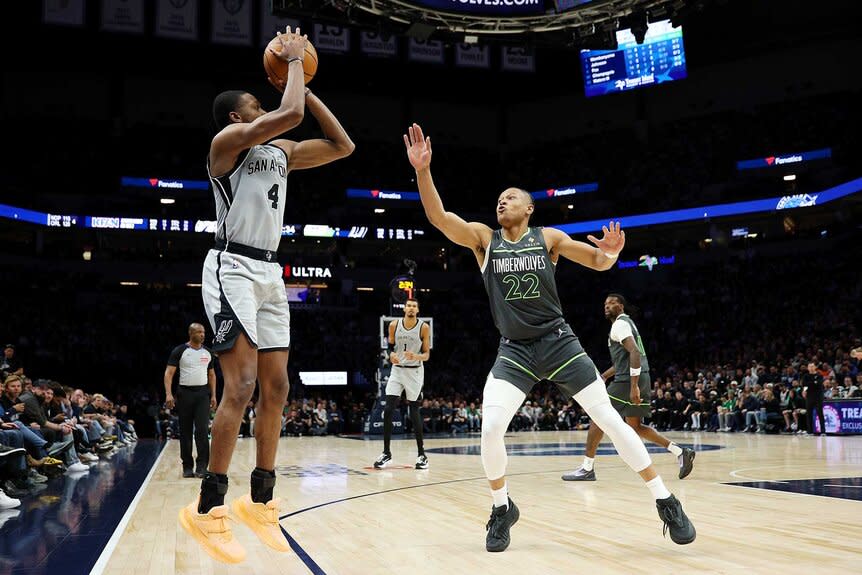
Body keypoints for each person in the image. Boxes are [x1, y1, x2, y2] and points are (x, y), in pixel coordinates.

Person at [403, 123, 694, 553]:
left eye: (511, 197)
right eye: (499, 198)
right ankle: (502, 508)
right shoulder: (484, 239)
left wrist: (613, 252)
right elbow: (439, 218)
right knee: (491, 428)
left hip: (559, 343)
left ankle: (666, 501)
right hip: (514, 350)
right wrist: (423, 171)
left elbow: (598, 262)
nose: (502, 201)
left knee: (611, 421)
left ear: (529, 209)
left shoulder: (548, 238)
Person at [178, 26, 354, 565]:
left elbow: (342, 145)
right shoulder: (226, 145)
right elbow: (290, 114)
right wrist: (295, 63)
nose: (266, 104)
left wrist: (305, 85)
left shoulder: (281, 150)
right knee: (242, 384)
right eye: (257, 103)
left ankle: (260, 500)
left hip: (270, 272)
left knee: (276, 388)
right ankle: (208, 507)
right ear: (237, 116)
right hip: (231, 265)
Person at [562, 294, 695, 482]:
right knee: (635, 426)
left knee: (597, 417)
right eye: (605, 303)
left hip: (627, 381)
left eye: (612, 303)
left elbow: (634, 352)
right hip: (641, 377)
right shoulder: (627, 324)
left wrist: (633, 386)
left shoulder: (620, 324)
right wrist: (605, 376)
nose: (607, 306)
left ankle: (587, 468)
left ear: (621, 306)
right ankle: (680, 451)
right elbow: (624, 360)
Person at [373, 299, 430, 470]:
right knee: (388, 409)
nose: (411, 308)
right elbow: (390, 348)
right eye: (409, 306)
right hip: (397, 370)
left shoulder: (424, 327)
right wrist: (390, 355)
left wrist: (416, 356)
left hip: (415, 372)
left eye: (414, 306)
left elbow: (426, 355)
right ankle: (386, 453)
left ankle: (422, 455)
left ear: (417, 310)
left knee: (414, 411)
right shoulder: (393, 325)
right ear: (405, 308)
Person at [164, 323, 216, 478]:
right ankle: (187, 466)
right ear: (191, 333)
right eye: (199, 332)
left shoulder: (208, 352)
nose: (202, 334)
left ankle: (202, 466)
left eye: (203, 332)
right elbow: (169, 373)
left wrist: (213, 395)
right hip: (185, 393)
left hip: (203, 394)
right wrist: (168, 394)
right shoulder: (180, 350)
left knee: (202, 430)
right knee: (185, 431)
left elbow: (212, 375)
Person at [802, 362, 825, 435]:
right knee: (809, 414)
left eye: (812, 366)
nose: (811, 368)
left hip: (818, 396)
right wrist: (805, 390)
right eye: (809, 367)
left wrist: (810, 384)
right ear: (808, 368)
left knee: (820, 413)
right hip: (809, 396)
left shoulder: (819, 375)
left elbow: (818, 384)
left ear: (815, 367)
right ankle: (810, 431)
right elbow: (805, 385)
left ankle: (823, 431)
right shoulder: (806, 376)